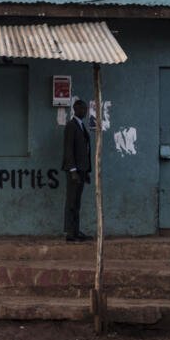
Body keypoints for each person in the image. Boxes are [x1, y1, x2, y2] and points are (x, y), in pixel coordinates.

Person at [61, 99, 92, 242]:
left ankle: (76, 231)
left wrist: (87, 171)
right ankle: (70, 233)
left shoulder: (81, 125)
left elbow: (85, 150)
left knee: (77, 202)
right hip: (74, 171)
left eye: (85, 109)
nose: (84, 111)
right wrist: (73, 171)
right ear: (75, 109)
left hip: (81, 170)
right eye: (82, 109)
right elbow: (68, 149)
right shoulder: (71, 126)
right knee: (71, 201)